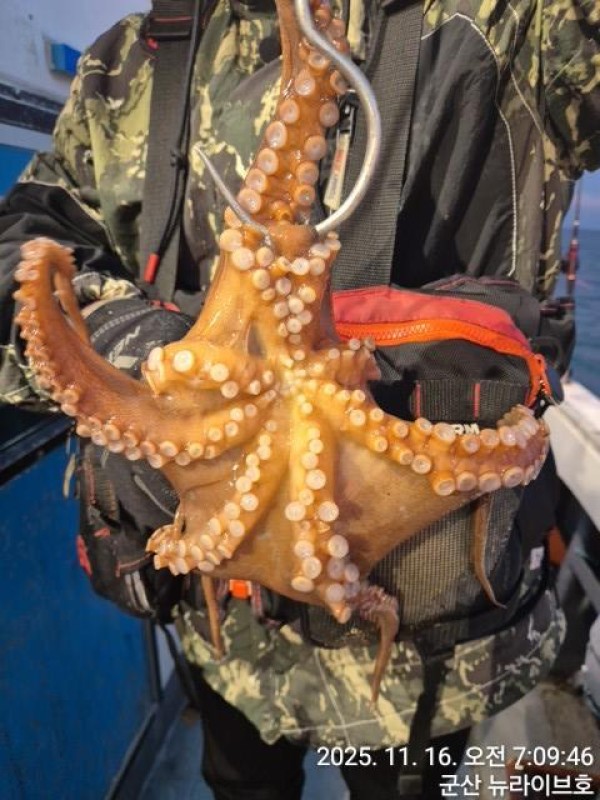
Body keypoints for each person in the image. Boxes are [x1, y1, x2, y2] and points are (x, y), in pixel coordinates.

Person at [0, 0, 599, 797]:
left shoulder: (519, 23)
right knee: (240, 783)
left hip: (431, 670)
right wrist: (136, 356)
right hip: (222, 637)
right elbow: (23, 245)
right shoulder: (130, 62)